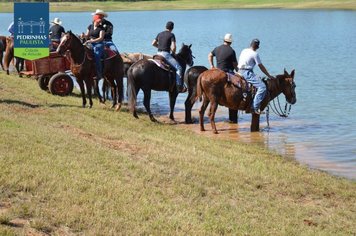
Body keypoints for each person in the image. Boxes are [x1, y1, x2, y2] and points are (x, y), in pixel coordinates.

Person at [237, 39, 275, 114]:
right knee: (262, 87)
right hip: (246, 72)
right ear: (257, 47)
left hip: (239, 71)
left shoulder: (244, 50)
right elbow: (261, 66)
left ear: (250, 44)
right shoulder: (255, 54)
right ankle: (254, 107)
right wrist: (269, 75)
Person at [208, 33, 239, 122]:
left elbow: (209, 55)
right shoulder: (231, 51)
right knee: (236, 90)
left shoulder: (217, 48)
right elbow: (235, 65)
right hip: (228, 72)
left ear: (224, 40)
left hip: (218, 71)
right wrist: (238, 71)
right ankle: (233, 118)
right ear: (231, 42)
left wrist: (212, 65)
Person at [152, 21, 186, 93]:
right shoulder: (171, 35)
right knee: (179, 68)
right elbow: (173, 47)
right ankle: (179, 87)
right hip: (165, 55)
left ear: (165, 27)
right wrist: (173, 53)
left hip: (158, 53)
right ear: (172, 28)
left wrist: (159, 46)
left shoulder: (160, 34)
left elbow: (153, 43)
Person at [82, 14, 105, 80]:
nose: (99, 22)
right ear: (94, 20)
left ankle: (99, 74)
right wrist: (83, 36)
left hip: (98, 43)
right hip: (90, 42)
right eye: (98, 21)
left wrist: (91, 41)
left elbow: (101, 38)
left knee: (97, 55)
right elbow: (87, 35)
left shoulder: (101, 28)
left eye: (100, 21)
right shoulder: (90, 26)